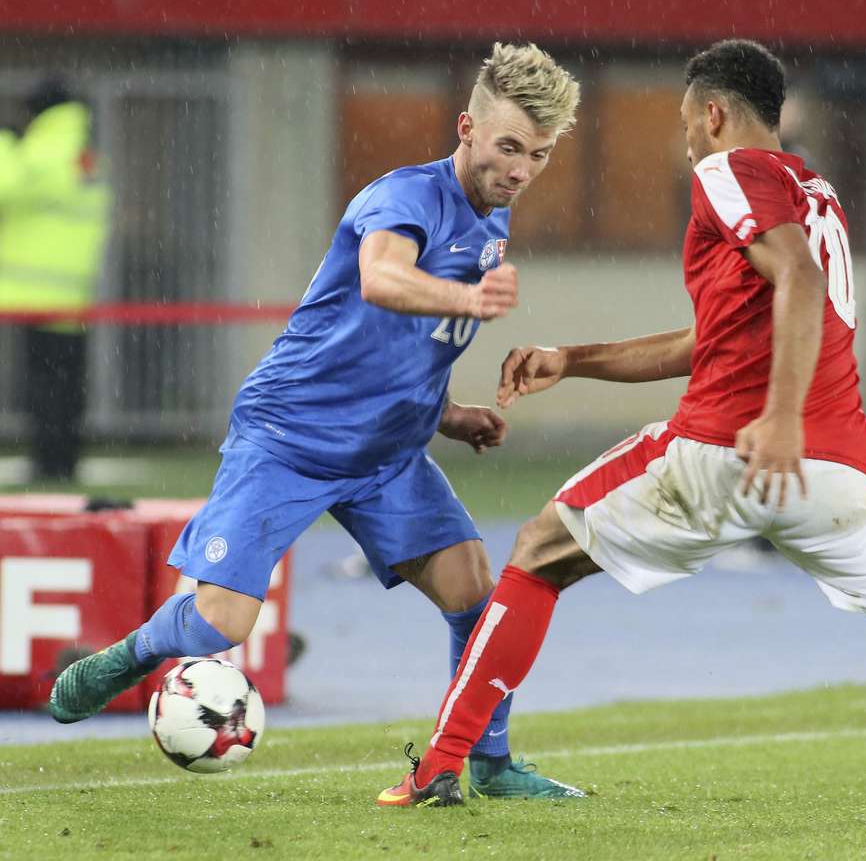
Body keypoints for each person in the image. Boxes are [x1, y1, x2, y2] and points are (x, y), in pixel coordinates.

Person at [381, 40, 866, 813]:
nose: (687, 141)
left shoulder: (728, 170)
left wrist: (775, 419)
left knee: (535, 553)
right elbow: (717, 336)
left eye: (685, 123)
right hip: (838, 475)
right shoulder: (815, 193)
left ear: (714, 117)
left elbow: (796, 279)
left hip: (730, 448)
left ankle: (444, 767)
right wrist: (576, 358)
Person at [48, 43, 584, 800]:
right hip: (290, 437)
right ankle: (127, 658)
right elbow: (381, 278)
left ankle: (488, 762)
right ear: (466, 128)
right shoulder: (402, 197)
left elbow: (395, 355)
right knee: (221, 623)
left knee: (475, 592)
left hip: (386, 453)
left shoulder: (491, 222)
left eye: (538, 153)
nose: (522, 168)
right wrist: (467, 299)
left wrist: (450, 414)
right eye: (507, 147)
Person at [0, 78, 111, 481]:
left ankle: (49, 463)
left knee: (44, 386)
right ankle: (64, 460)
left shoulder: (45, 147)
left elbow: (4, 186)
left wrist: (5, 143)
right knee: (65, 385)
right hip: (71, 289)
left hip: (35, 290)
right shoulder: (82, 150)